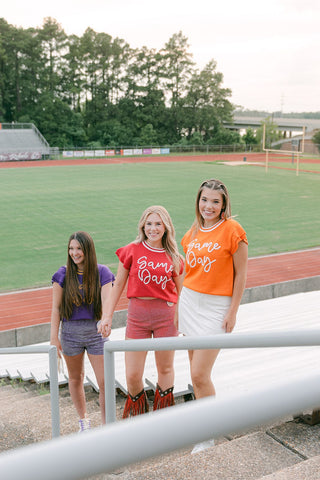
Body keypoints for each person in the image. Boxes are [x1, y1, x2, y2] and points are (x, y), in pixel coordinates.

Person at [178, 178, 248, 453]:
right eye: (204, 200)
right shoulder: (193, 232)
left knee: (200, 373)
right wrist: (177, 307)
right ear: (198, 201)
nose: (208, 206)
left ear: (223, 205)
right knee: (195, 377)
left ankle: (208, 434)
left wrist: (233, 310)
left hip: (217, 308)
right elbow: (186, 272)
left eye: (215, 202)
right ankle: (200, 425)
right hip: (189, 304)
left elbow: (241, 274)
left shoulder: (233, 230)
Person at [99, 205, 184, 417]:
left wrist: (183, 320)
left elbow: (183, 293)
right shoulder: (131, 250)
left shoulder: (175, 257)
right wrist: (107, 316)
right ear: (142, 226)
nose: (153, 228)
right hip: (137, 316)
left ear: (166, 227)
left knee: (165, 369)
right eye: (149, 224)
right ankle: (138, 415)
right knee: (132, 374)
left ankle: (162, 416)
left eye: (158, 224)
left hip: (166, 316)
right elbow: (117, 285)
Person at [50, 231, 115, 432]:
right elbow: (56, 308)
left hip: (96, 333)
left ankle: (107, 426)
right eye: (71, 248)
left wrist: (105, 321)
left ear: (88, 250)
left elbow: (107, 301)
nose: (74, 253)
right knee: (75, 378)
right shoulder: (62, 275)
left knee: (105, 382)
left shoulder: (103, 272)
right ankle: (84, 422)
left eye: (78, 248)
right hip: (70, 333)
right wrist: (54, 337)